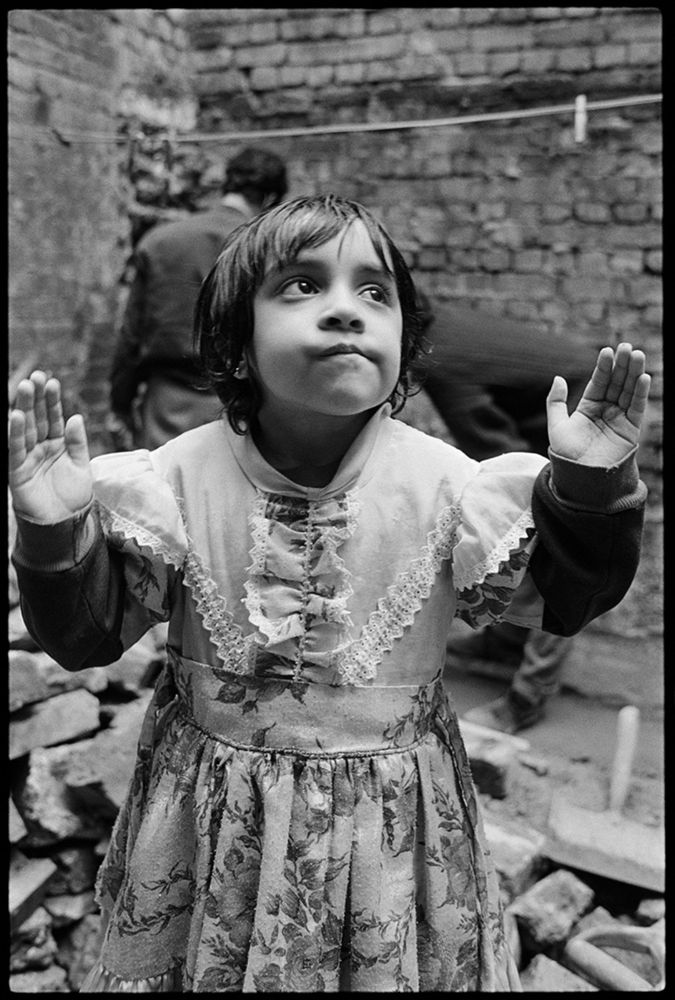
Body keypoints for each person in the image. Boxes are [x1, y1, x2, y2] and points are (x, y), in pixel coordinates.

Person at [9, 195, 650, 992]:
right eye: (302, 286)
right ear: (236, 348)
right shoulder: (170, 481)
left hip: (394, 830)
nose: (346, 309)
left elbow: (567, 598)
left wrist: (591, 486)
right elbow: (86, 636)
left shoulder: (452, 489)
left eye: (374, 291)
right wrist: (51, 529)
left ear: (403, 349)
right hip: (212, 833)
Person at [418, 299, 600, 733]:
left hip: (594, 414)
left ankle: (527, 698)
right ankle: (504, 643)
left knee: (561, 556)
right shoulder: (442, 325)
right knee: (528, 529)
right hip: (562, 407)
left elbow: (496, 453)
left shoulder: (439, 358)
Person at [108, 145, 288, 450]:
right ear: (270, 199)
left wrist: (120, 404)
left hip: (165, 408)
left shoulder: (160, 240)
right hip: (243, 410)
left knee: (159, 492)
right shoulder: (269, 249)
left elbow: (131, 337)